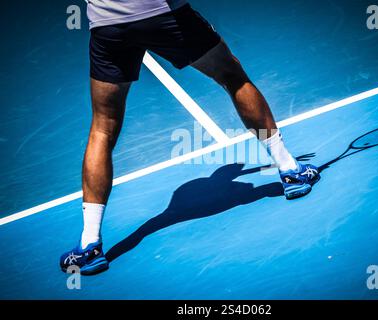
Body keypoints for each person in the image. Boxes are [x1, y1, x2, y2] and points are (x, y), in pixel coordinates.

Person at [60, 0, 320, 275]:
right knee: (233, 76)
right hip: (162, 15)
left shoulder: (181, 194)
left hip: (108, 25)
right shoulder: (212, 188)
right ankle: (291, 170)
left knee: (103, 126)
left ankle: (89, 245)